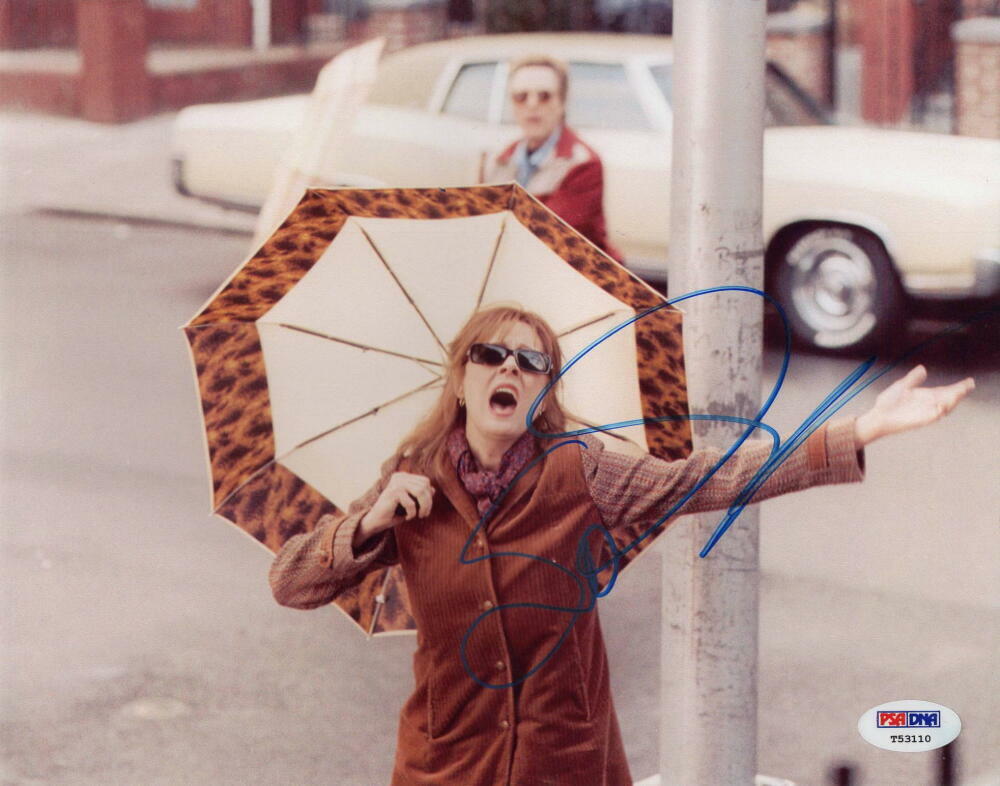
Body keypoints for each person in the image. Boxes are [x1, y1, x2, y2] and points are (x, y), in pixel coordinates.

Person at [268, 305, 973, 786]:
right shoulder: (411, 486)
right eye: (491, 354)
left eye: (531, 362)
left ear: (545, 393)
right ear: (461, 376)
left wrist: (860, 432)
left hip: (565, 762)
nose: (509, 369)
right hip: (446, 764)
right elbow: (291, 583)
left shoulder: (584, 471)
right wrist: (365, 527)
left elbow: (713, 479)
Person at [480, 56, 623, 261]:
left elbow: (551, 239)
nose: (532, 105)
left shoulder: (583, 163)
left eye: (544, 96)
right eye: (521, 97)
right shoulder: (496, 160)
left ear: (562, 103)